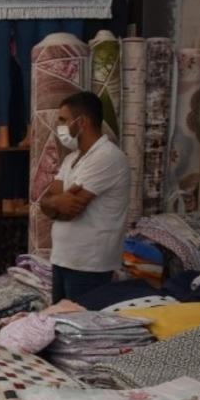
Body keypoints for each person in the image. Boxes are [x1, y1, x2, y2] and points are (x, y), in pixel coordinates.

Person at [41, 90, 130, 303]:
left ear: (83, 122)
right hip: (64, 259)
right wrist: (54, 203)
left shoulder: (107, 157)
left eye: (63, 120)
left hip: (89, 265)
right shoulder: (72, 158)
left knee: (81, 327)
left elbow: (71, 211)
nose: (59, 126)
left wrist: (54, 204)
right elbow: (46, 201)